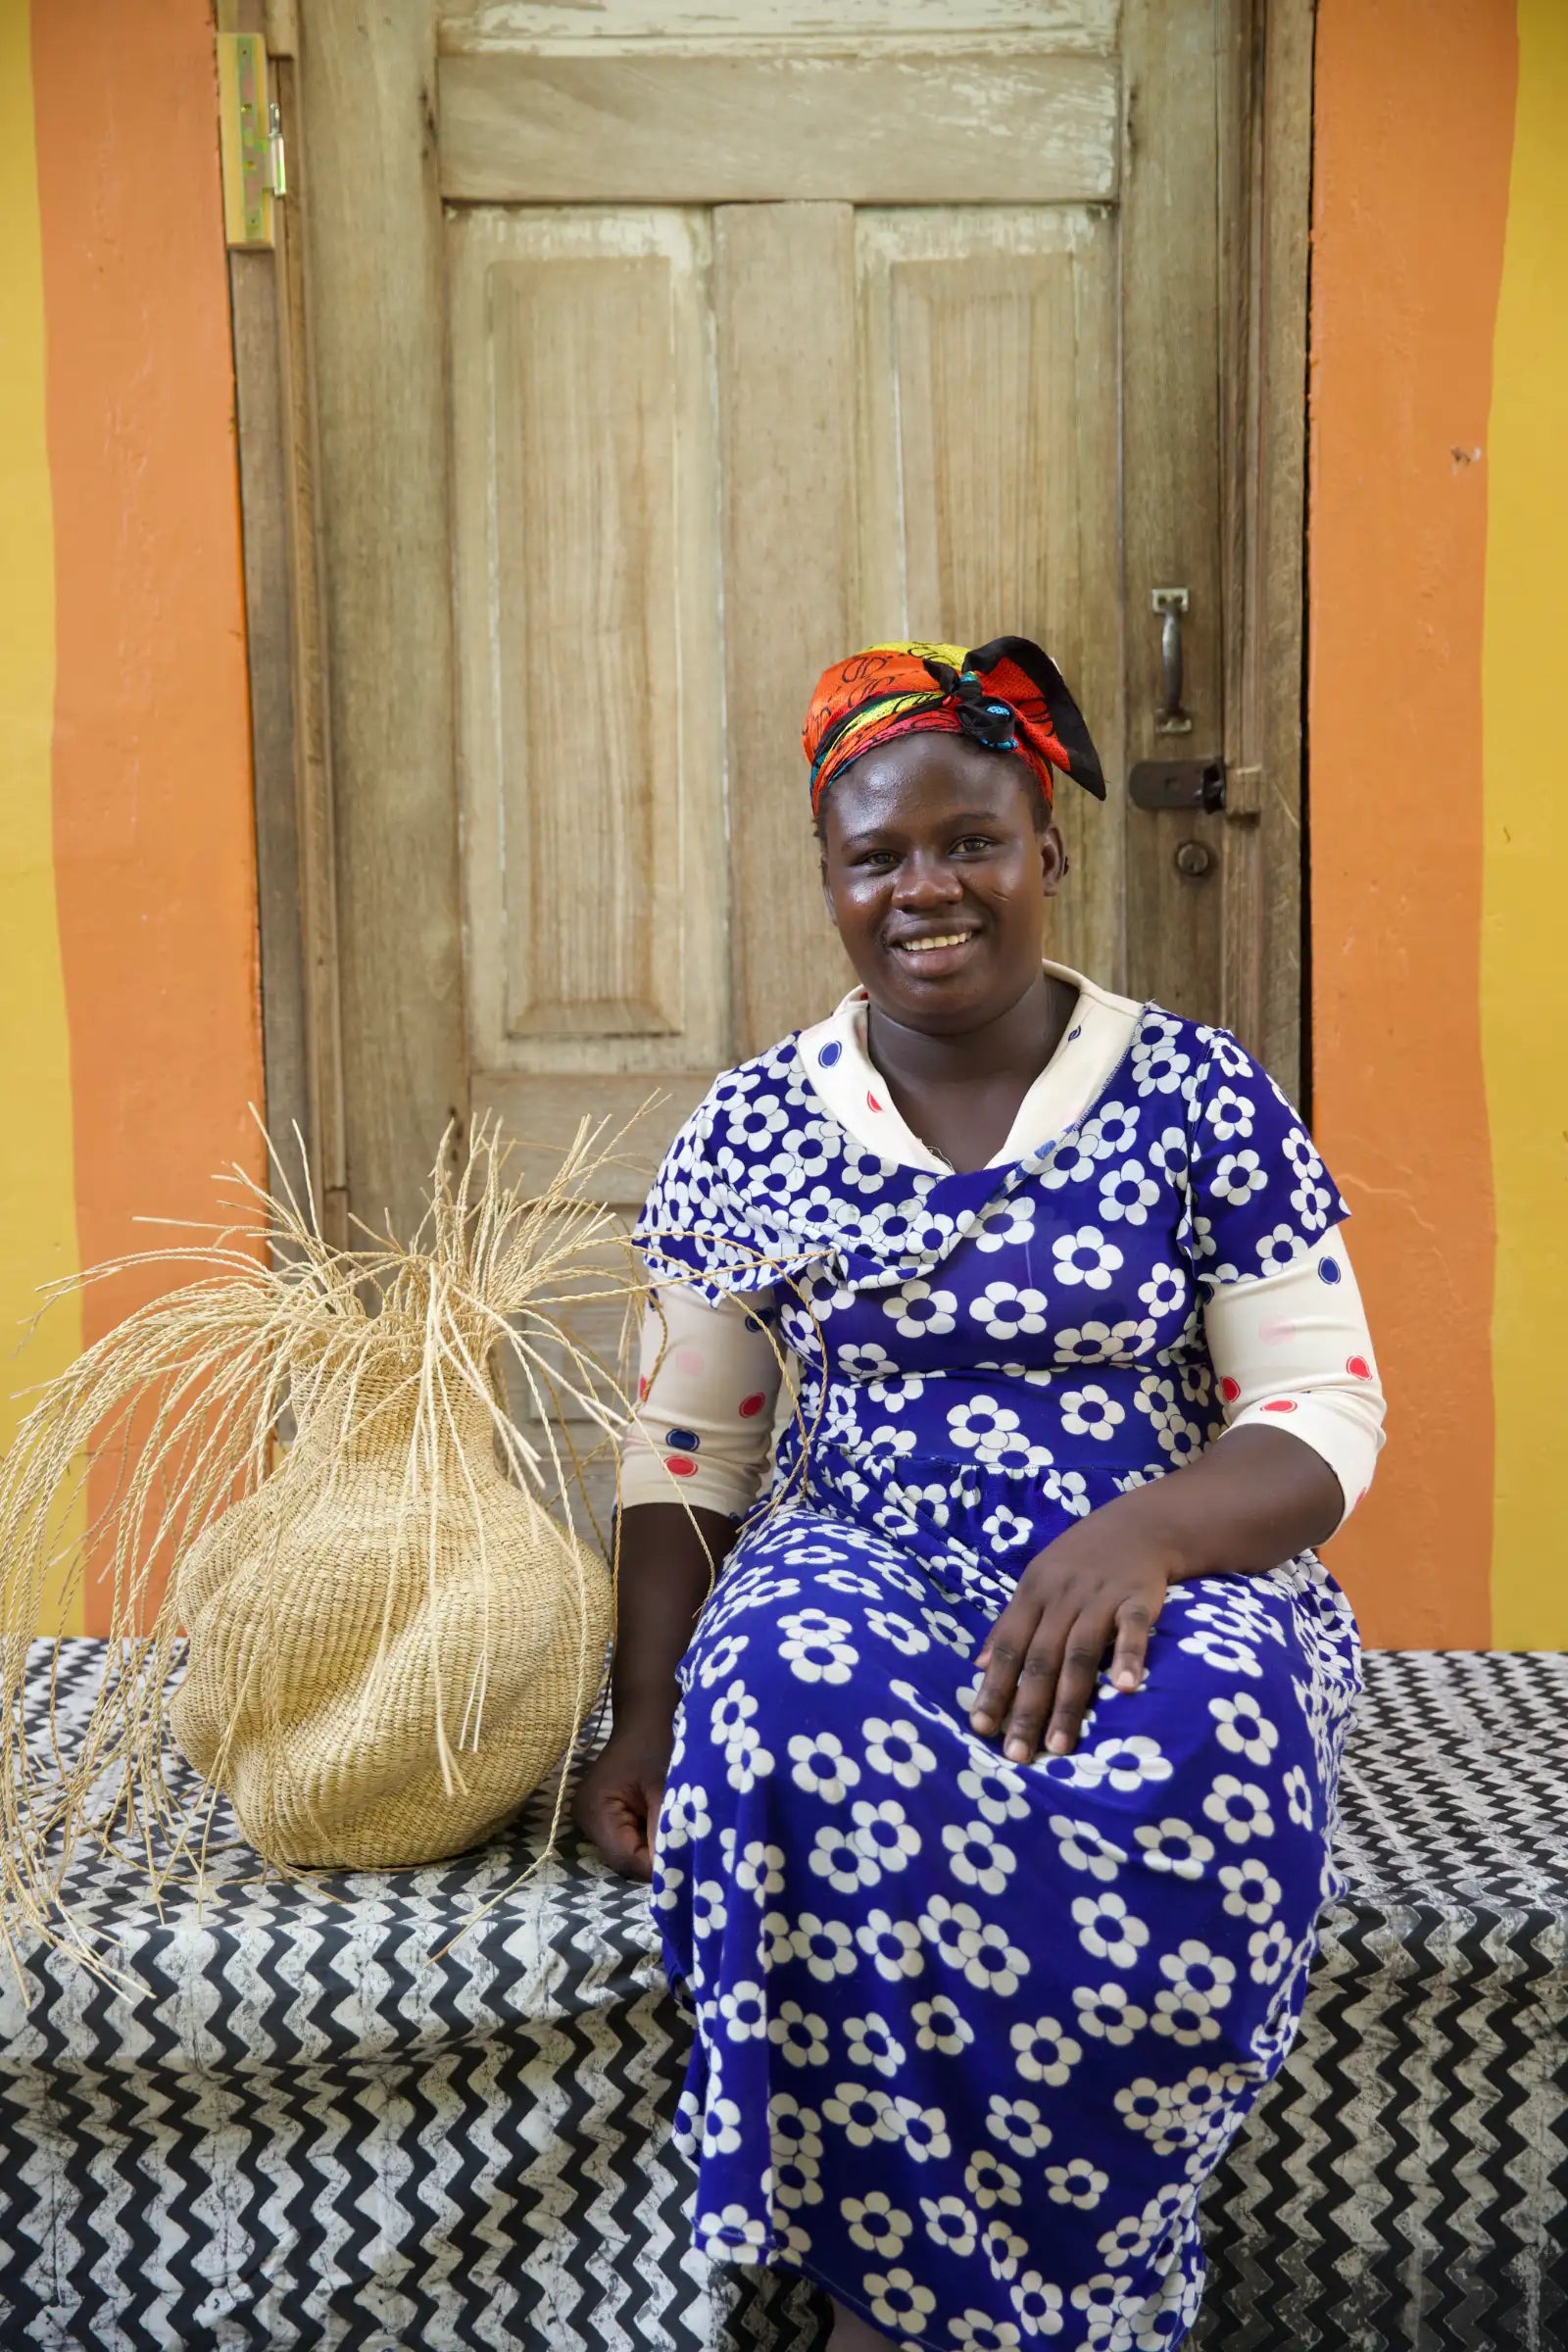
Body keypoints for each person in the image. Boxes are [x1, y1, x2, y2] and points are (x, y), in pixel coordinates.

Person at [575, 638, 1384, 2352]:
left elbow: (1319, 1412)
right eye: (876, 856)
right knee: (778, 1707)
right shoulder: (752, 1128)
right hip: (862, 1553)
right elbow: (693, 1447)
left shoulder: (1194, 1094)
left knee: (1220, 1738)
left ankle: (1032, 2286)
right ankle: (914, 2294)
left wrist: (1145, 1534)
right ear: (828, 881)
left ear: (1047, 854)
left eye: (971, 844)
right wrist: (643, 1707)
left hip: (1167, 1557)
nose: (924, 888)